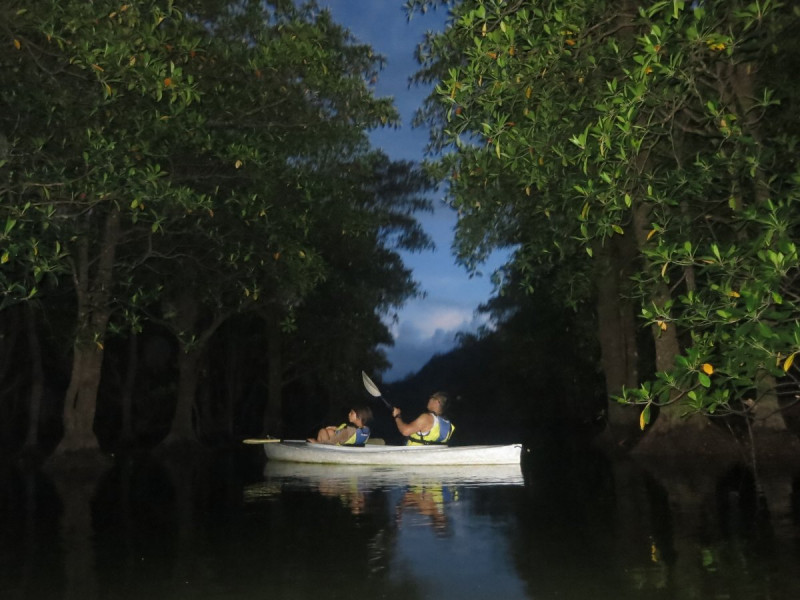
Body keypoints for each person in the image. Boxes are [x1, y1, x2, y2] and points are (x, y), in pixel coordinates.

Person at [308, 405, 373, 445]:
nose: (349, 414)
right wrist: (335, 428)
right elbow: (352, 432)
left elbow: (331, 443)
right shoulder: (366, 430)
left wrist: (316, 443)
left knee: (322, 431)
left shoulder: (349, 431)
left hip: (335, 447)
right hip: (349, 443)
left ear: (359, 416)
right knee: (330, 431)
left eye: (352, 413)